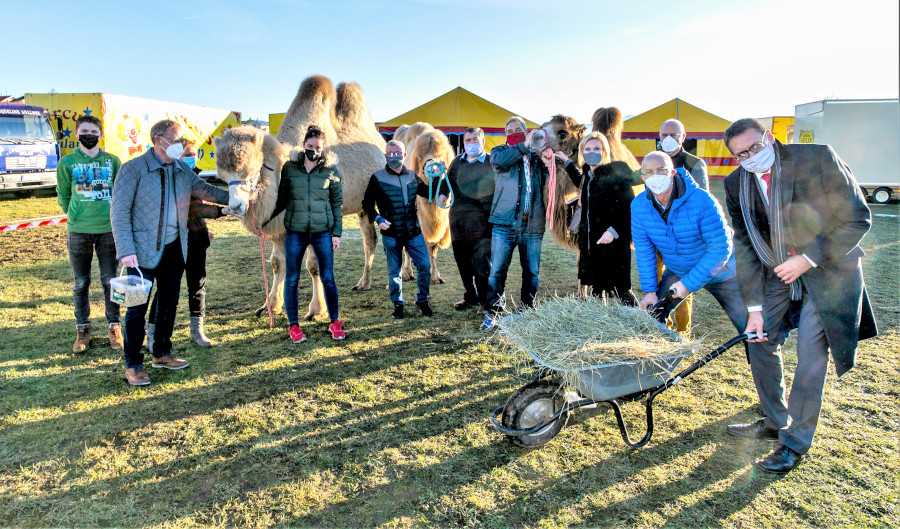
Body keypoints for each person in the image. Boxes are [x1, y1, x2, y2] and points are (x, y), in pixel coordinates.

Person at [722, 118, 877, 474]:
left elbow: (857, 217)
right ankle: (775, 420)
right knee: (758, 338)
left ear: (770, 138)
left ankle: (795, 443)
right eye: (740, 155)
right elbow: (744, 245)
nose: (750, 157)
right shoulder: (735, 184)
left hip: (828, 270)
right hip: (777, 272)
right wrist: (755, 308)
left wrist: (807, 259)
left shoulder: (816, 158)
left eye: (755, 148)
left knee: (810, 353)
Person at [111, 119, 230, 386]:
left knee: (168, 303)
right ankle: (133, 364)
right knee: (135, 310)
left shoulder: (180, 169)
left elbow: (206, 191)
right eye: (174, 140)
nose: (178, 145)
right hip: (140, 253)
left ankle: (162, 353)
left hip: (175, 249)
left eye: (180, 140)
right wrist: (126, 250)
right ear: (158, 140)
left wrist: (235, 197)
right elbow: (119, 213)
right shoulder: (133, 170)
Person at [632, 151, 748, 337]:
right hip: (679, 268)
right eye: (650, 172)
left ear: (673, 173)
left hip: (721, 271)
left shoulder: (703, 201)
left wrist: (688, 283)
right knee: (653, 313)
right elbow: (644, 250)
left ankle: (761, 355)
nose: (656, 177)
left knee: (750, 325)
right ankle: (658, 359)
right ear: (643, 177)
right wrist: (650, 291)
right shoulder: (639, 206)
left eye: (661, 170)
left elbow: (720, 248)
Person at [146, 143, 228, 351]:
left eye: (192, 154)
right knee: (165, 287)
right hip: (173, 238)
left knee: (198, 283)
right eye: (186, 155)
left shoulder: (195, 175)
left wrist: (204, 228)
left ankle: (196, 329)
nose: (191, 158)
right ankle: (152, 333)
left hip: (196, 236)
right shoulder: (168, 176)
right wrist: (222, 211)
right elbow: (189, 209)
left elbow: (203, 198)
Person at [266, 125, 345, 342]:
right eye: (310, 146)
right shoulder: (290, 168)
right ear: (303, 145)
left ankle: (335, 321)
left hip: (322, 233)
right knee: (292, 278)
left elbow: (337, 203)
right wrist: (264, 220)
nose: (313, 150)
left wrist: (336, 233)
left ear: (323, 147)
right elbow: (282, 199)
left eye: (317, 146)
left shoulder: (331, 170)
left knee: (328, 277)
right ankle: (294, 325)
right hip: (296, 233)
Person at [56, 115, 123, 352]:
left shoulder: (112, 161)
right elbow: (63, 195)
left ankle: (114, 327)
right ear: (76, 133)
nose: (89, 135)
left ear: (100, 134)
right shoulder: (66, 163)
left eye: (94, 132)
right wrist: (75, 215)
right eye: (84, 131)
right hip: (78, 231)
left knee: (110, 281)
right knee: (81, 283)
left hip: (108, 230)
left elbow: (120, 193)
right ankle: (82, 329)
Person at [481, 117, 552, 330]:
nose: (514, 132)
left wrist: (547, 161)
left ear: (526, 130)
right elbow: (500, 163)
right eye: (510, 130)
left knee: (532, 271)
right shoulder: (499, 152)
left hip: (532, 224)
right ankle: (493, 313)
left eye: (519, 129)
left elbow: (549, 176)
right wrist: (523, 146)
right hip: (504, 223)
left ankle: (527, 311)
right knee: (497, 271)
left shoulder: (536, 156)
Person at [555, 132, 636, 304]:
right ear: (582, 152)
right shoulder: (587, 175)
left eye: (597, 148)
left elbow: (629, 208)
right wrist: (566, 161)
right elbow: (580, 181)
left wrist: (613, 231)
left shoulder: (616, 174)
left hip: (613, 244)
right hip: (592, 245)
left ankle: (641, 323)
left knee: (621, 291)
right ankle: (599, 328)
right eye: (588, 149)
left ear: (604, 151)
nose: (592, 152)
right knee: (595, 293)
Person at [362, 140, 433, 319]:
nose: (394, 157)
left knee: (425, 266)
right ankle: (398, 304)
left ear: (404, 155)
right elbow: (367, 204)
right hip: (391, 234)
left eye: (397, 153)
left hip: (413, 234)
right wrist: (378, 219)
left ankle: (422, 300)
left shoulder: (412, 176)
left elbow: (428, 192)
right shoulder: (377, 178)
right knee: (394, 273)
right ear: (386, 156)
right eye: (390, 154)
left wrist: (440, 179)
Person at [439, 127, 494, 312]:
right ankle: (470, 296)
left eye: (475, 139)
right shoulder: (457, 162)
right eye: (468, 140)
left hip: (482, 221)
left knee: (481, 262)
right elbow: (447, 183)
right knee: (462, 262)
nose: (471, 143)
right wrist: (442, 194)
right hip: (458, 220)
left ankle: (485, 302)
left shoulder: (491, 163)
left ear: (483, 141)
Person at [658, 119, 709, 191]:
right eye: (664, 135)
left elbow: (702, 197)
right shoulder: (653, 161)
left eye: (673, 135)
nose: (668, 139)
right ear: (660, 136)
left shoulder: (695, 163)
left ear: (683, 137)